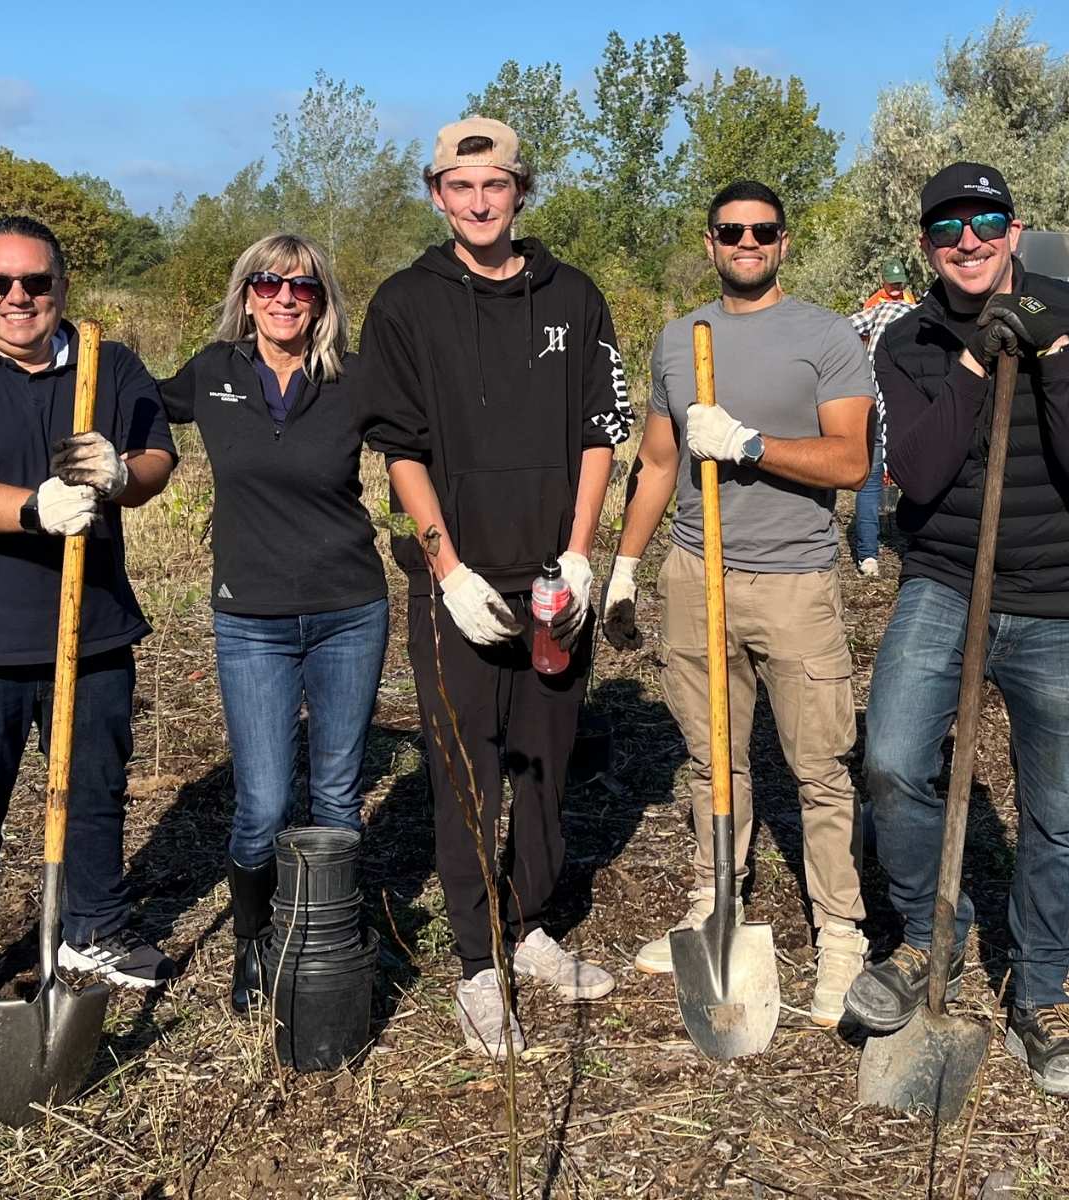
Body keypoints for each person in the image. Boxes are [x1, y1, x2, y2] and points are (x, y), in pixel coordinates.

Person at [845, 162, 1069, 1098]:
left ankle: (1039, 997)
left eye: (986, 221)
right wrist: (974, 364)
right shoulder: (910, 338)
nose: (967, 240)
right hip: (945, 583)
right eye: (947, 226)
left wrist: (1044, 357)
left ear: (1014, 228)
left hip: (1060, 598)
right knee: (889, 758)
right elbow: (917, 478)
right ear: (925, 241)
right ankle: (933, 940)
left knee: (1051, 810)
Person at [358, 117, 629, 1058]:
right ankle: (479, 965)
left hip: (555, 577)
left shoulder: (576, 296)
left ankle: (533, 927)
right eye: (459, 186)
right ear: (437, 194)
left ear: (521, 191)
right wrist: (445, 565)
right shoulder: (406, 304)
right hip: (462, 582)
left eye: (496, 184)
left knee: (547, 764)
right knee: (465, 771)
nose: (479, 202)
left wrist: (582, 554)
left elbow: (601, 433)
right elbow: (400, 446)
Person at [0, 215, 181, 1058]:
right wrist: (30, 507)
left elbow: (158, 458)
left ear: (61, 288)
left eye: (36, 284)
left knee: (95, 789)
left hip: (90, 631)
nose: (18, 299)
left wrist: (123, 477)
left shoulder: (108, 366)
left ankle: (95, 928)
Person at [605, 180, 876, 1027]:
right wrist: (623, 568)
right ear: (712, 240)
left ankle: (840, 932)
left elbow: (850, 462)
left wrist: (752, 446)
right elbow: (655, 463)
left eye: (762, 231)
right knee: (710, 754)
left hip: (794, 582)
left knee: (821, 766)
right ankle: (715, 898)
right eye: (731, 231)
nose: (746, 242)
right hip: (697, 575)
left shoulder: (826, 337)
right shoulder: (681, 340)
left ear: (784, 243)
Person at [158, 232, 386, 1013]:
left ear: (323, 300)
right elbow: (133, 400)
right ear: (244, 292)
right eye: (267, 283)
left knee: (336, 795)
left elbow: (432, 442)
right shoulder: (214, 372)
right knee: (261, 804)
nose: (284, 298)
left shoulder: (355, 380)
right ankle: (255, 944)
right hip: (250, 617)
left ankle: (328, 941)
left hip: (348, 611)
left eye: (303, 286)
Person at [847, 295, 915, 576]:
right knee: (916, 474)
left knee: (870, 478)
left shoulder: (881, 308)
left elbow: (845, 326)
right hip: (905, 402)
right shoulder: (921, 315)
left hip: (871, 398)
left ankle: (868, 556)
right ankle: (916, 546)